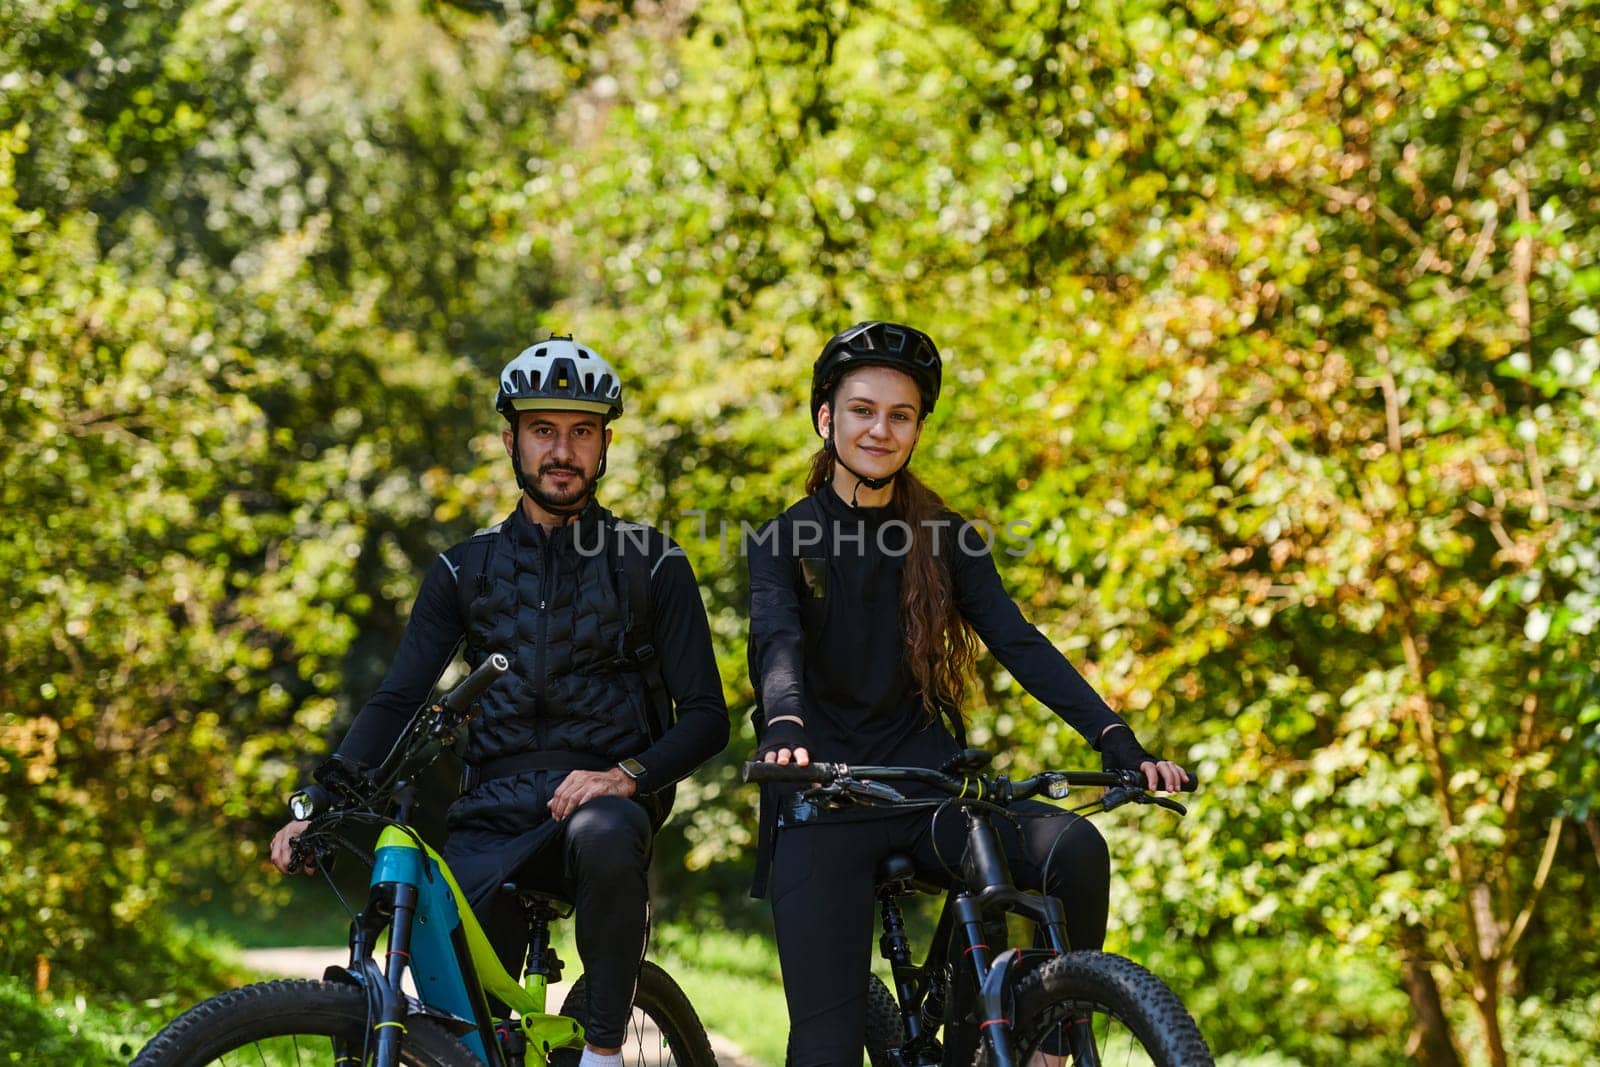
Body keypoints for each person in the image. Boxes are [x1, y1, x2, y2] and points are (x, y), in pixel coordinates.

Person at [270, 336, 730, 1067]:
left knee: (606, 830)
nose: (563, 450)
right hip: (488, 817)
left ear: (605, 443)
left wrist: (626, 775)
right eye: (544, 429)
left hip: (602, 800)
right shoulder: (464, 568)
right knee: (460, 1044)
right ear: (511, 438)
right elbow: (397, 698)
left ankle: (605, 1052)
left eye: (582, 431)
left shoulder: (654, 562)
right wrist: (320, 803)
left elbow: (709, 717)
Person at [746, 320, 1189, 1066]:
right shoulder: (783, 539)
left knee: (1073, 848)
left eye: (900, 414)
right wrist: (785, 720)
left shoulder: (947, 537)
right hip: (823, 796)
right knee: (822, 1044)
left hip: (929, 790)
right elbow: (778, 643)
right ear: (826, 418)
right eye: (862, 410)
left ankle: (1050, 1038)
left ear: (918, 427)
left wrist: (1116, 739)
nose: (879, 429)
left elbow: (1020, 644)